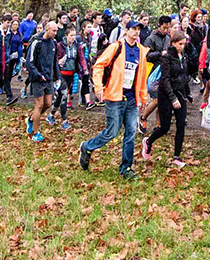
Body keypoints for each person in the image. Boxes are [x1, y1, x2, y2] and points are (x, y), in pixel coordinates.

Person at [80, 21, 149, 180]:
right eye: (133, 29)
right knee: (112, 132)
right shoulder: (116, 47)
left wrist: (143, 98)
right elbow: (98, 66)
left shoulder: (141, 52)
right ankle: (87, 147)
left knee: (130, 133)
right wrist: (98, 88)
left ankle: (126, 168)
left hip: (132, 100)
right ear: (126, 30)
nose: (136, 32)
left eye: (138, 30)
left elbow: (142, 77)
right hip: (114, 97)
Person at [144, 29, 192, 168]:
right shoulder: (167, 57)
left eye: (184, 44)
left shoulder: (183, 56)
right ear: (173, 43)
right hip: (166, 95)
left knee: (181, 126)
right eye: (180, 44)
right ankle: (148, 141)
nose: (182, 47)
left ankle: (177, 156)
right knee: (164, 127)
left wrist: (187, 93)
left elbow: (184, 75)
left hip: (180, 93)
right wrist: (172, 98)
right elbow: (165, 80)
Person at [23, 22, 59, 143]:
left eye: (56, 31)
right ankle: (35, 132)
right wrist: (38, 75)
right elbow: (30, 62)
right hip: (37, 79)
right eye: (53, 31)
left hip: (49, 79)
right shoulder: (36, 43)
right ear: (47, 30)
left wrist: (57, 77)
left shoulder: (54, 44)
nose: (55, 33)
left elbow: (55, 62)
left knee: (48, 103)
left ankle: (31, 119)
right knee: (39, 105)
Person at [51, 25, 85, 131]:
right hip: (61, 74)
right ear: (66, 36)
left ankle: (51, 115)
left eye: (74, 35)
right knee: (64, 96)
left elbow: (81, 58)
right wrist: (58, 62)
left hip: (71, 74)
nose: (73, 37)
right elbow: (53, 59)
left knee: (60, 97)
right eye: (71, 35)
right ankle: (65, 121)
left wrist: (85, 69)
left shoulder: (77, 46)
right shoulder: (59, 46)